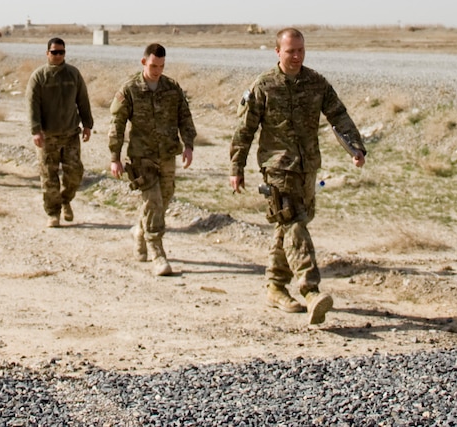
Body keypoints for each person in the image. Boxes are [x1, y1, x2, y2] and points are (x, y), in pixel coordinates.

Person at [229, 27, 364, 323]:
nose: (297, 56)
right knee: (294, 224)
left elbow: (338, 115)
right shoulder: (263, 86)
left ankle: (276, 287)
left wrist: (355, 147)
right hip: (277, 169)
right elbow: (244, 130)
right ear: (278, 51)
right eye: (291, 51)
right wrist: (236, 168)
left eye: (301, 50)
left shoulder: (316, 83)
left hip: (307, 169)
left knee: (287, 228)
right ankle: (311, 290)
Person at [108, 42, 196, 276]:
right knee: (153, 202)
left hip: (167, 154)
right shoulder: (130, 89)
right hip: (141, 157)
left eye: (161, 66)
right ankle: (158, 254)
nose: (157, 70)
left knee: (164, 199)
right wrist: (114, 157)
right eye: (154, 65)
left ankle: (139, 229)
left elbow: (184, 117)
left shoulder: (171, 88)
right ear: (144, 62)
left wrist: (189, 145)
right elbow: (117, 124)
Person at [25, 37, 92, 227]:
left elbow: (83, 100)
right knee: (48, 176)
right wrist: (35, 130)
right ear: (47, 53)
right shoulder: (39, 76)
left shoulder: (73, 74)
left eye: (61, 52)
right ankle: (53, 213)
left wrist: (87, 124)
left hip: (71, 134)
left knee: (75, 173)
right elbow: (32, 105)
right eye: (54, 52)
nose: (58, 55)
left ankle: (65, 200)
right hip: (48, 136)